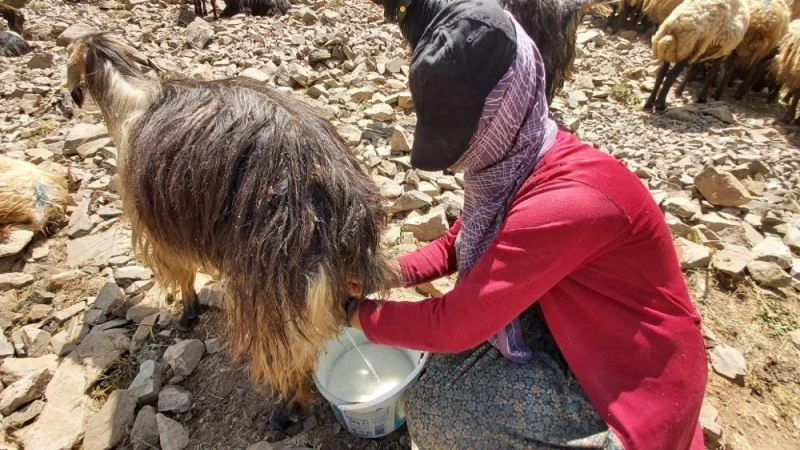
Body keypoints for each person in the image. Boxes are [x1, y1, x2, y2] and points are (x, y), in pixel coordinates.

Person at [345, 0, 709, 448]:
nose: (454, 162)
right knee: (441, 378)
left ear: (504, 107)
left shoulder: (563, 203)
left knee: (441, 411)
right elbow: (455, 246)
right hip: (581, 329)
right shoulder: (519, 158)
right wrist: (377, 276)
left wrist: (349, 316)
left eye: (460, 139)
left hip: (637, 384)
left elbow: (455, 325)